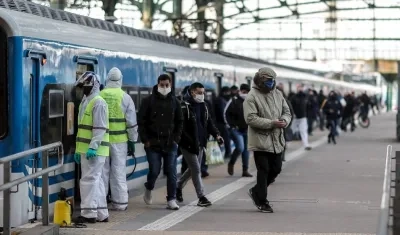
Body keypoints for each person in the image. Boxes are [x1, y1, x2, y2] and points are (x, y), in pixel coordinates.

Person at [244, 67, 292, 213]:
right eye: (268, 80)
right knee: (263, 170)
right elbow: (250, 118)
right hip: (260, 141)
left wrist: (285, 120)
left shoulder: (278, 94)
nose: (271, 83)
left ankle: (256, 191)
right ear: (261, 79)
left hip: (276, 139)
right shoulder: (252, 96)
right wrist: (271, 123)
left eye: (273, 80)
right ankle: (263, 201)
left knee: (276, 169)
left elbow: (287, 112)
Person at [137, 74, 183, 210]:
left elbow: (180, 122)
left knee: (171, 171)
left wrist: (176, 139)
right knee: (154, 170)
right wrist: (145, 140)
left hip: (170, 143)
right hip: (152, 144)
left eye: (166, 85)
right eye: (162, 85)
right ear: (157, 85)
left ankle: (171, 199)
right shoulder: (148, 101)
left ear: (170, 85)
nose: (164, 87)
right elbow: (141, 121)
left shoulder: (175, 102)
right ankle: (149, 187)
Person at [176, 82, 223, 207]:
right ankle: (201, 197)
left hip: (201, 143)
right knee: (196, 170)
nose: (202, 95)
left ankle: (178, 185)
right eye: (199, 93)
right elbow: (180, 128)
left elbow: (209, 123)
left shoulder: (204, 106)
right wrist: (187, 141)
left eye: (203, 93)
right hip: (188, 144)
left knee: (192, 170)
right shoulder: (183, 107)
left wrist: (217, 135)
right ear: (192, 92)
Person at [73, 71, 109, 223]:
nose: (83, 89)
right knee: (97, 180)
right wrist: (77, 149)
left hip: (94, 150)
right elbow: (82, 128)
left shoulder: (98, 102)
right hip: (86, 149)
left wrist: (93, 147)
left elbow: (99, 128)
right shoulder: (86, 101)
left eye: (85, 86)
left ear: (93, 85)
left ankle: (89, 214)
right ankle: (102, 213)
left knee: (88, 180)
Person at [100, 67, 138, 211]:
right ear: (121, 79)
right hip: (120, 141)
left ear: (107, 79)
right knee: (118, 172)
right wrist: (132, 141)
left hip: (102, 141)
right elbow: (131, 123)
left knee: (102, 172)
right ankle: (120, 203)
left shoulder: (100, 95)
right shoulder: (125, 97)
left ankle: (101, 204)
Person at [224, 83, 252, 177]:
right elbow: (226, 113)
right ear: (240, 91)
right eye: (244, 92)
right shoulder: (233, 100)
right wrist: (231, 126)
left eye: (247, 92)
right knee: (240, 147)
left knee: (246, 150)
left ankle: (245, 170)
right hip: (235, 129)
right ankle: (231, 163)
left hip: (247, 129)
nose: (246, 94)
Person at [291, 84, 312, 150]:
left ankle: (306, 145)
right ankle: (284, 144)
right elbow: (290, 107)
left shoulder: (306, 97)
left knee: (303, 131)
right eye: (298, 87)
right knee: (291, 130)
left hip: (303, 117)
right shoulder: (293, 97)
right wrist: (292, 114)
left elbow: (309, 107)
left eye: (301, 87)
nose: (300, 89)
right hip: (295, 117)